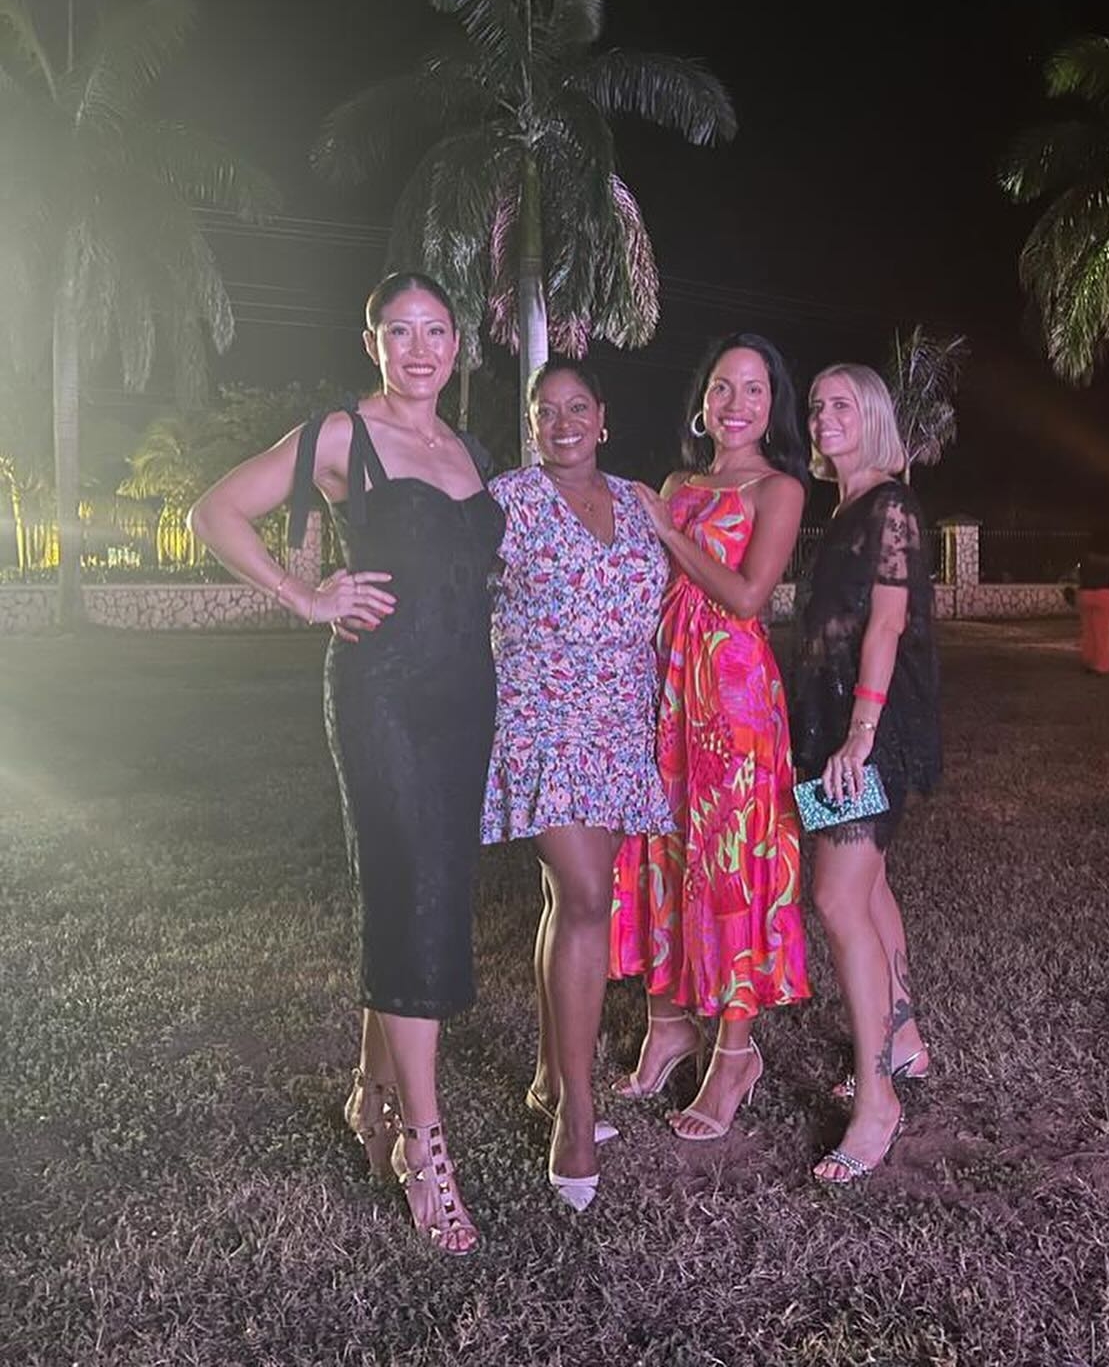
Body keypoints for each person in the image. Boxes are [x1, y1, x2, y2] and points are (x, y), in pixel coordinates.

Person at [190, 272, 504, 1254]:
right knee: (412, 892)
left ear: (458, 344)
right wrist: (304, 596)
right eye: (399, 332)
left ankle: (370, 1092)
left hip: (466, 701)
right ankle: (425, 1146)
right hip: (383, 698)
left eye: (436, 331)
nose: (420, 349)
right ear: (371, 343)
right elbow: (215, 511)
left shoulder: (469, 450)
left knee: (423, 892)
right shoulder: (342, 436)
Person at [480, 361, 674, 1211]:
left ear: (603, 419)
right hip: (542, 719)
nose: (562, 423)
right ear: (532, 425)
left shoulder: (638, 501)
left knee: (570, 903)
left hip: (621, 722)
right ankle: (579, 1110)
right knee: (589, 895)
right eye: (545, 411)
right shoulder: (507, 501)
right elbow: (449, 587)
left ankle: (547, 1079)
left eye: (577, 408)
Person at [611, 333, 811, 1140]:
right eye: (723, 386)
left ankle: (734, 1053)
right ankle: (667, 1026)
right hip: (667, 689)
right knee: (662, 847)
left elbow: (748, 596)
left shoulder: (779, 489)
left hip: (732, 695)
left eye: (755, 389)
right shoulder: (677, 484)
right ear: (703, 400)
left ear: (773, 406)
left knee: (728, 861)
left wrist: (668, 533)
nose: (736, 403)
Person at [789, 364, 941, 1182]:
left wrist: (859, 735)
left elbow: (886, 624)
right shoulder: (844, 507)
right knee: (870, 886)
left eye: (841, 405)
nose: (823, 417)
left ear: (874, 415)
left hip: (868, 729)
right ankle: (904, 1039)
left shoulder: (891, 505)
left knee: (836, 896)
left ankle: (878, 1102)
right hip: (828, 725)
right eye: (817, 406)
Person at [1077, 530, 1109, 675]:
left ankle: (1089, 660)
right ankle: (1102, 665)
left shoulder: (1085, 558)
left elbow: (1080, 575)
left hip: (1085, 593)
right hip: (1104, 594)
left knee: (1088, 630)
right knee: (1103, 632)